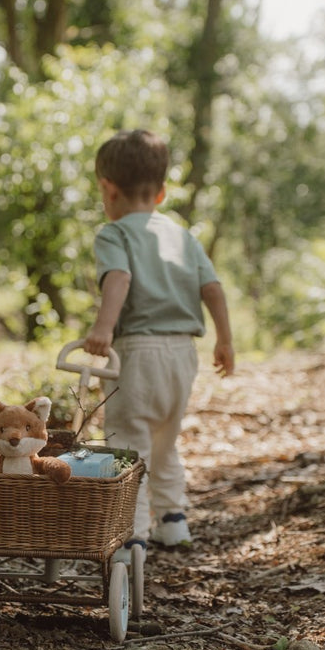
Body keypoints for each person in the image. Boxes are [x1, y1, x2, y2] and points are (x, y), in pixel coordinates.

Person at [81, 129, 234, 553]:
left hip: (138, 352)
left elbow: (119, 278)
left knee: (127, 442)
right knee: (166, 439)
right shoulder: (183, 236)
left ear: (108, 189)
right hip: (184, 352)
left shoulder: (114, 234)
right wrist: (225, 340)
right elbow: (214, 289)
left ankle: (132, 535)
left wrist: (104, 328)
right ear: (162, 193)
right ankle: (173, 520)